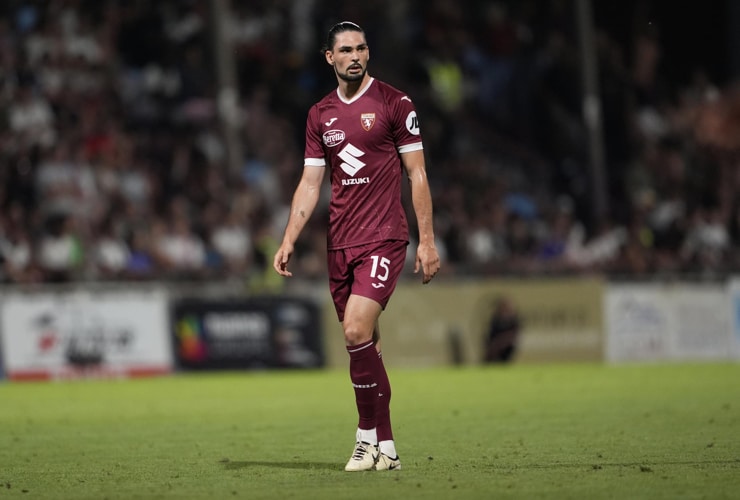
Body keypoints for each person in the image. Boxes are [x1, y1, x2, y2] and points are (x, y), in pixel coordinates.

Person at [273, 21, 440, 472]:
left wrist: (427, 240)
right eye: (345, 50)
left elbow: (417, 174)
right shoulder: (320, 114)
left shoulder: (394, 102)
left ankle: (364, 438)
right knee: (367, 347)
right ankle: (387, 448)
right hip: (339, 244)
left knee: (354, 331)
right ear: (329, 57)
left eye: (362, 48)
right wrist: (289, 237)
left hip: (384, 237)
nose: (355, 56)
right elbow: (310, 183)